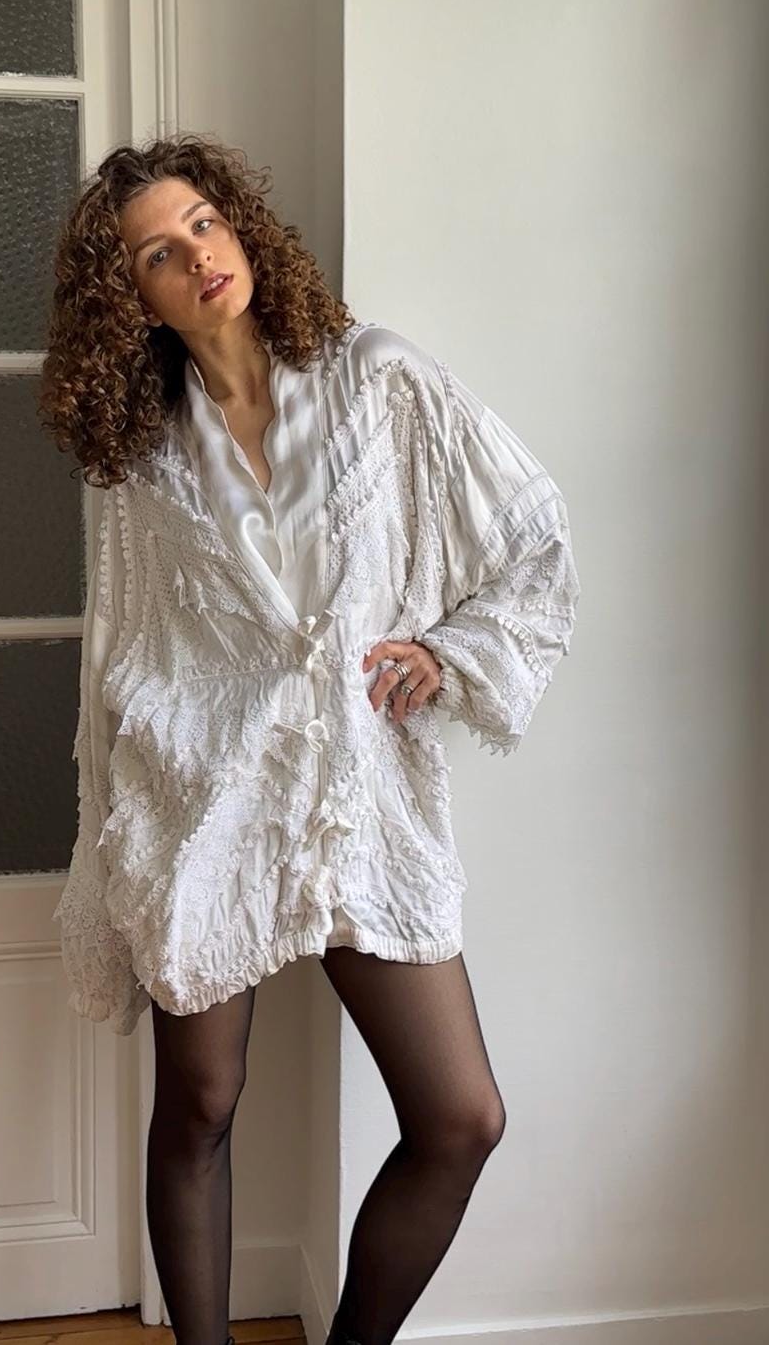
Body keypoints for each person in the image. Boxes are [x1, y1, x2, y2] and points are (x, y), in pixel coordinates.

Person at [40, 132, 581, 1345]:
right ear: (132, 297)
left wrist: (450, 653)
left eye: (204, 225)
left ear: (239, 227)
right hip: (201, 800)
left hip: (355, 793)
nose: (197, 257)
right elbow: (124, 647)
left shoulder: (376, 380)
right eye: (157, 254)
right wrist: (120, 819)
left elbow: (532, 537)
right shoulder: (139, 455)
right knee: (200, 1104)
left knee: (460, 1119)